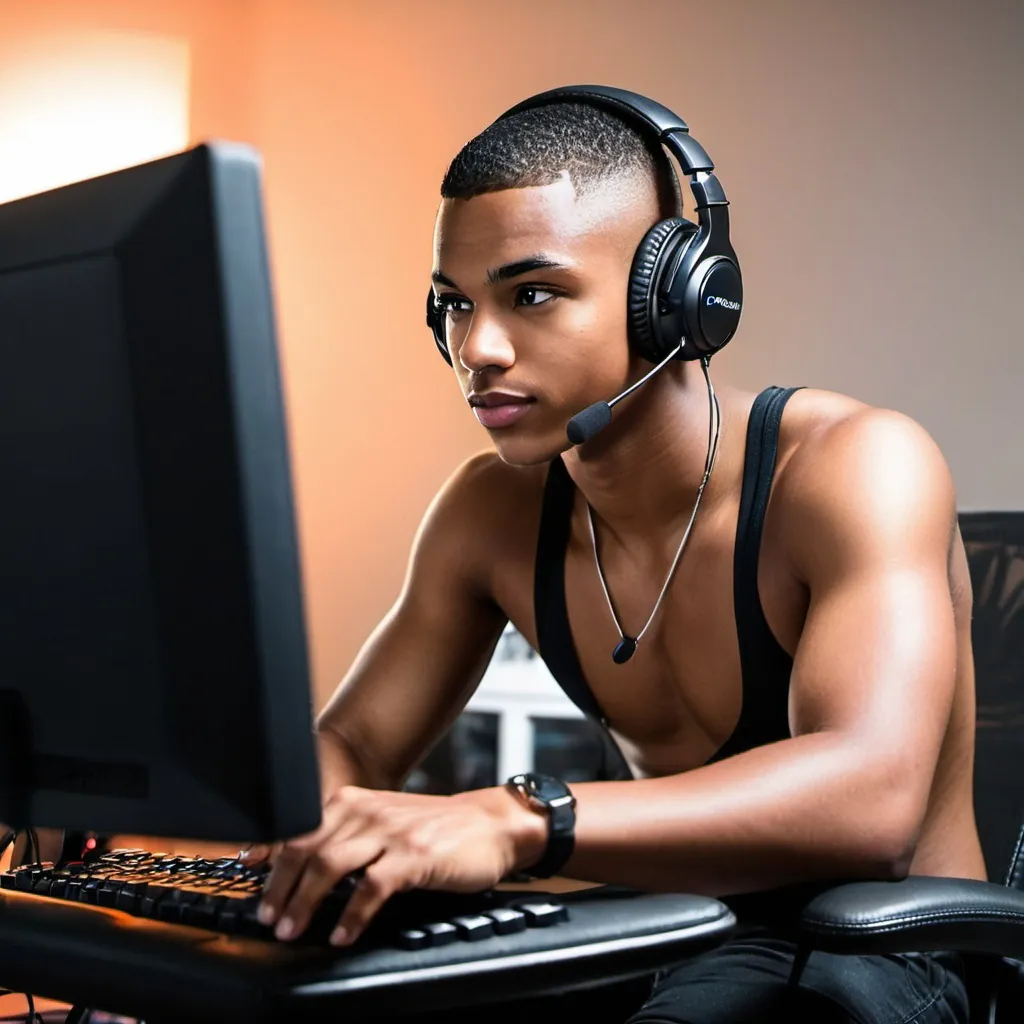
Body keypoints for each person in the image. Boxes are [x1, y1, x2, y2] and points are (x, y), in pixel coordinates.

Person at [245, 88, 984, 1022]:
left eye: (533, 294)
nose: (479, 347)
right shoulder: (489, 513)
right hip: (674, 932)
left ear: (676, 297)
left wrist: (517, 819)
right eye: (453, 307)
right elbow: (351, 742)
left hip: (878, 954)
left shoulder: (854, 467)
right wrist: (290, 837)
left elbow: (870, 803)